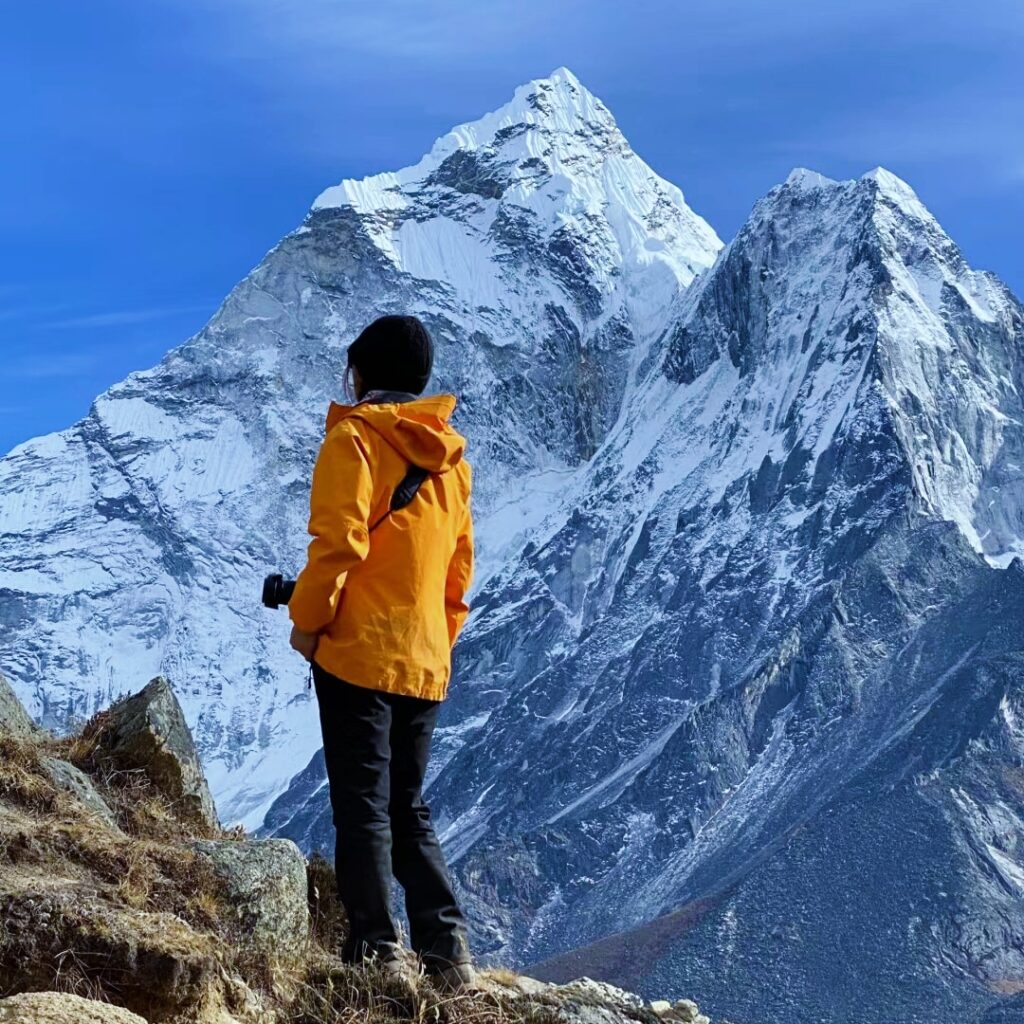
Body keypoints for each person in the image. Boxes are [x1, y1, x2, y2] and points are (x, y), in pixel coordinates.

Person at [286, 314, 475, 990]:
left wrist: (308, 624)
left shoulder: (354, 440)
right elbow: (458, 576)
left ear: (362, 373)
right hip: (424, 661)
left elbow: (338, 546)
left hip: (359, 654)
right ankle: (447, 955)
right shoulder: (452, 461)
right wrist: (434, 645)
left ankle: (375, 950)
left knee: (362, 805)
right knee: (408, 806)